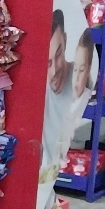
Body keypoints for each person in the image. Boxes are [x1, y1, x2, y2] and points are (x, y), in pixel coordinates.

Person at [40, 9, 72, 181]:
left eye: (58, 55)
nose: (53, 71)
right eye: (47, 63)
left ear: (65, 41)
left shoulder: (82, 83)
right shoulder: (36, 90)